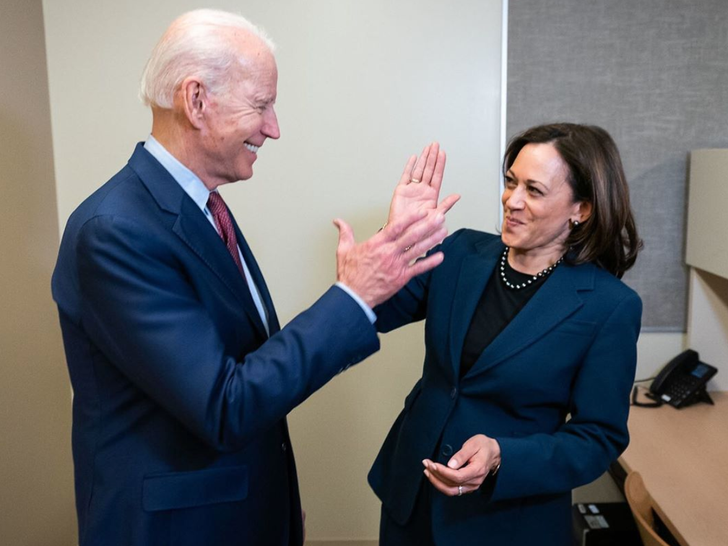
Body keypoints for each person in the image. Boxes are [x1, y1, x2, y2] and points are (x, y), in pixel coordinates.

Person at [51, 9, 457, 546]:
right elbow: (226, 406)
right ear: (196, 101)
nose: (274, 127)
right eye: (261, 105)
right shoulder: (116, 230)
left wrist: (276, 506)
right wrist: (351, 295)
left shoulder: (200, 206)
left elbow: (245, 365)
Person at [368, 123, 643, 545]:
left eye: (534, 190)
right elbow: (375, 312)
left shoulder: (608, 306)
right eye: (511, 182)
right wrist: (394, 239)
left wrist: (502, 456)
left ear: (581, 209)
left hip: (506, 520)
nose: (511, 201)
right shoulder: (461, 252)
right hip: (413, 498)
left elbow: (598, 438)